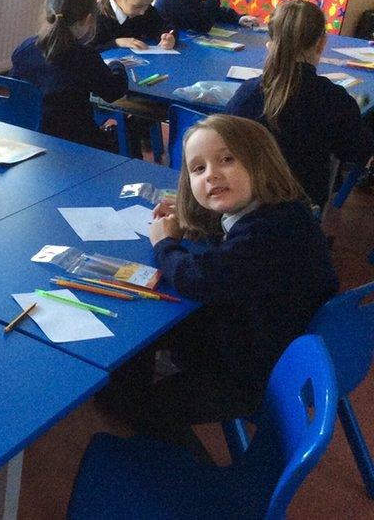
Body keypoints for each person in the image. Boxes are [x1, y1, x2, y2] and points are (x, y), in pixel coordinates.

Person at [96, 115, 338, 460]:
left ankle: (196, 472)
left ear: (261, 162)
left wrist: (164, 243)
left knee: (143, 397)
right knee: (147, 332)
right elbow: (235, 254)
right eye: (198, 169)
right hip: (272, 335)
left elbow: (197, 278)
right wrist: (193, 224)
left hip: (254, 372)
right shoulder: (284, 213)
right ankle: (125, 388)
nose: (211, 174)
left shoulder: (265, 236)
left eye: (227, 159)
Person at [225, 0, 374, 209]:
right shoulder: (333, 98)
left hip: (247, 204)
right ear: (321, 44)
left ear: (271, 44)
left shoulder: (247, 93)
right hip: (302, 208)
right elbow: (357, 150)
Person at [11, 0, 128, 151]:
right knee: (123, 137)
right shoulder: (84, 57)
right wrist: (117, 66)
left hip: (29, 139)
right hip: (77, 145)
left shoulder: (24, 50)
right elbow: (113, 91)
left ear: (47, 11)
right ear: (88, 19)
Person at [91, 0, 175, 52]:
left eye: (148, 4)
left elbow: (164, 26)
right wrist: (116, 42)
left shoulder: (143, 8)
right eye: (137, 6)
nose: (143, 12)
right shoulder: (97, 17)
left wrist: (168, 37)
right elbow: (88, 49)